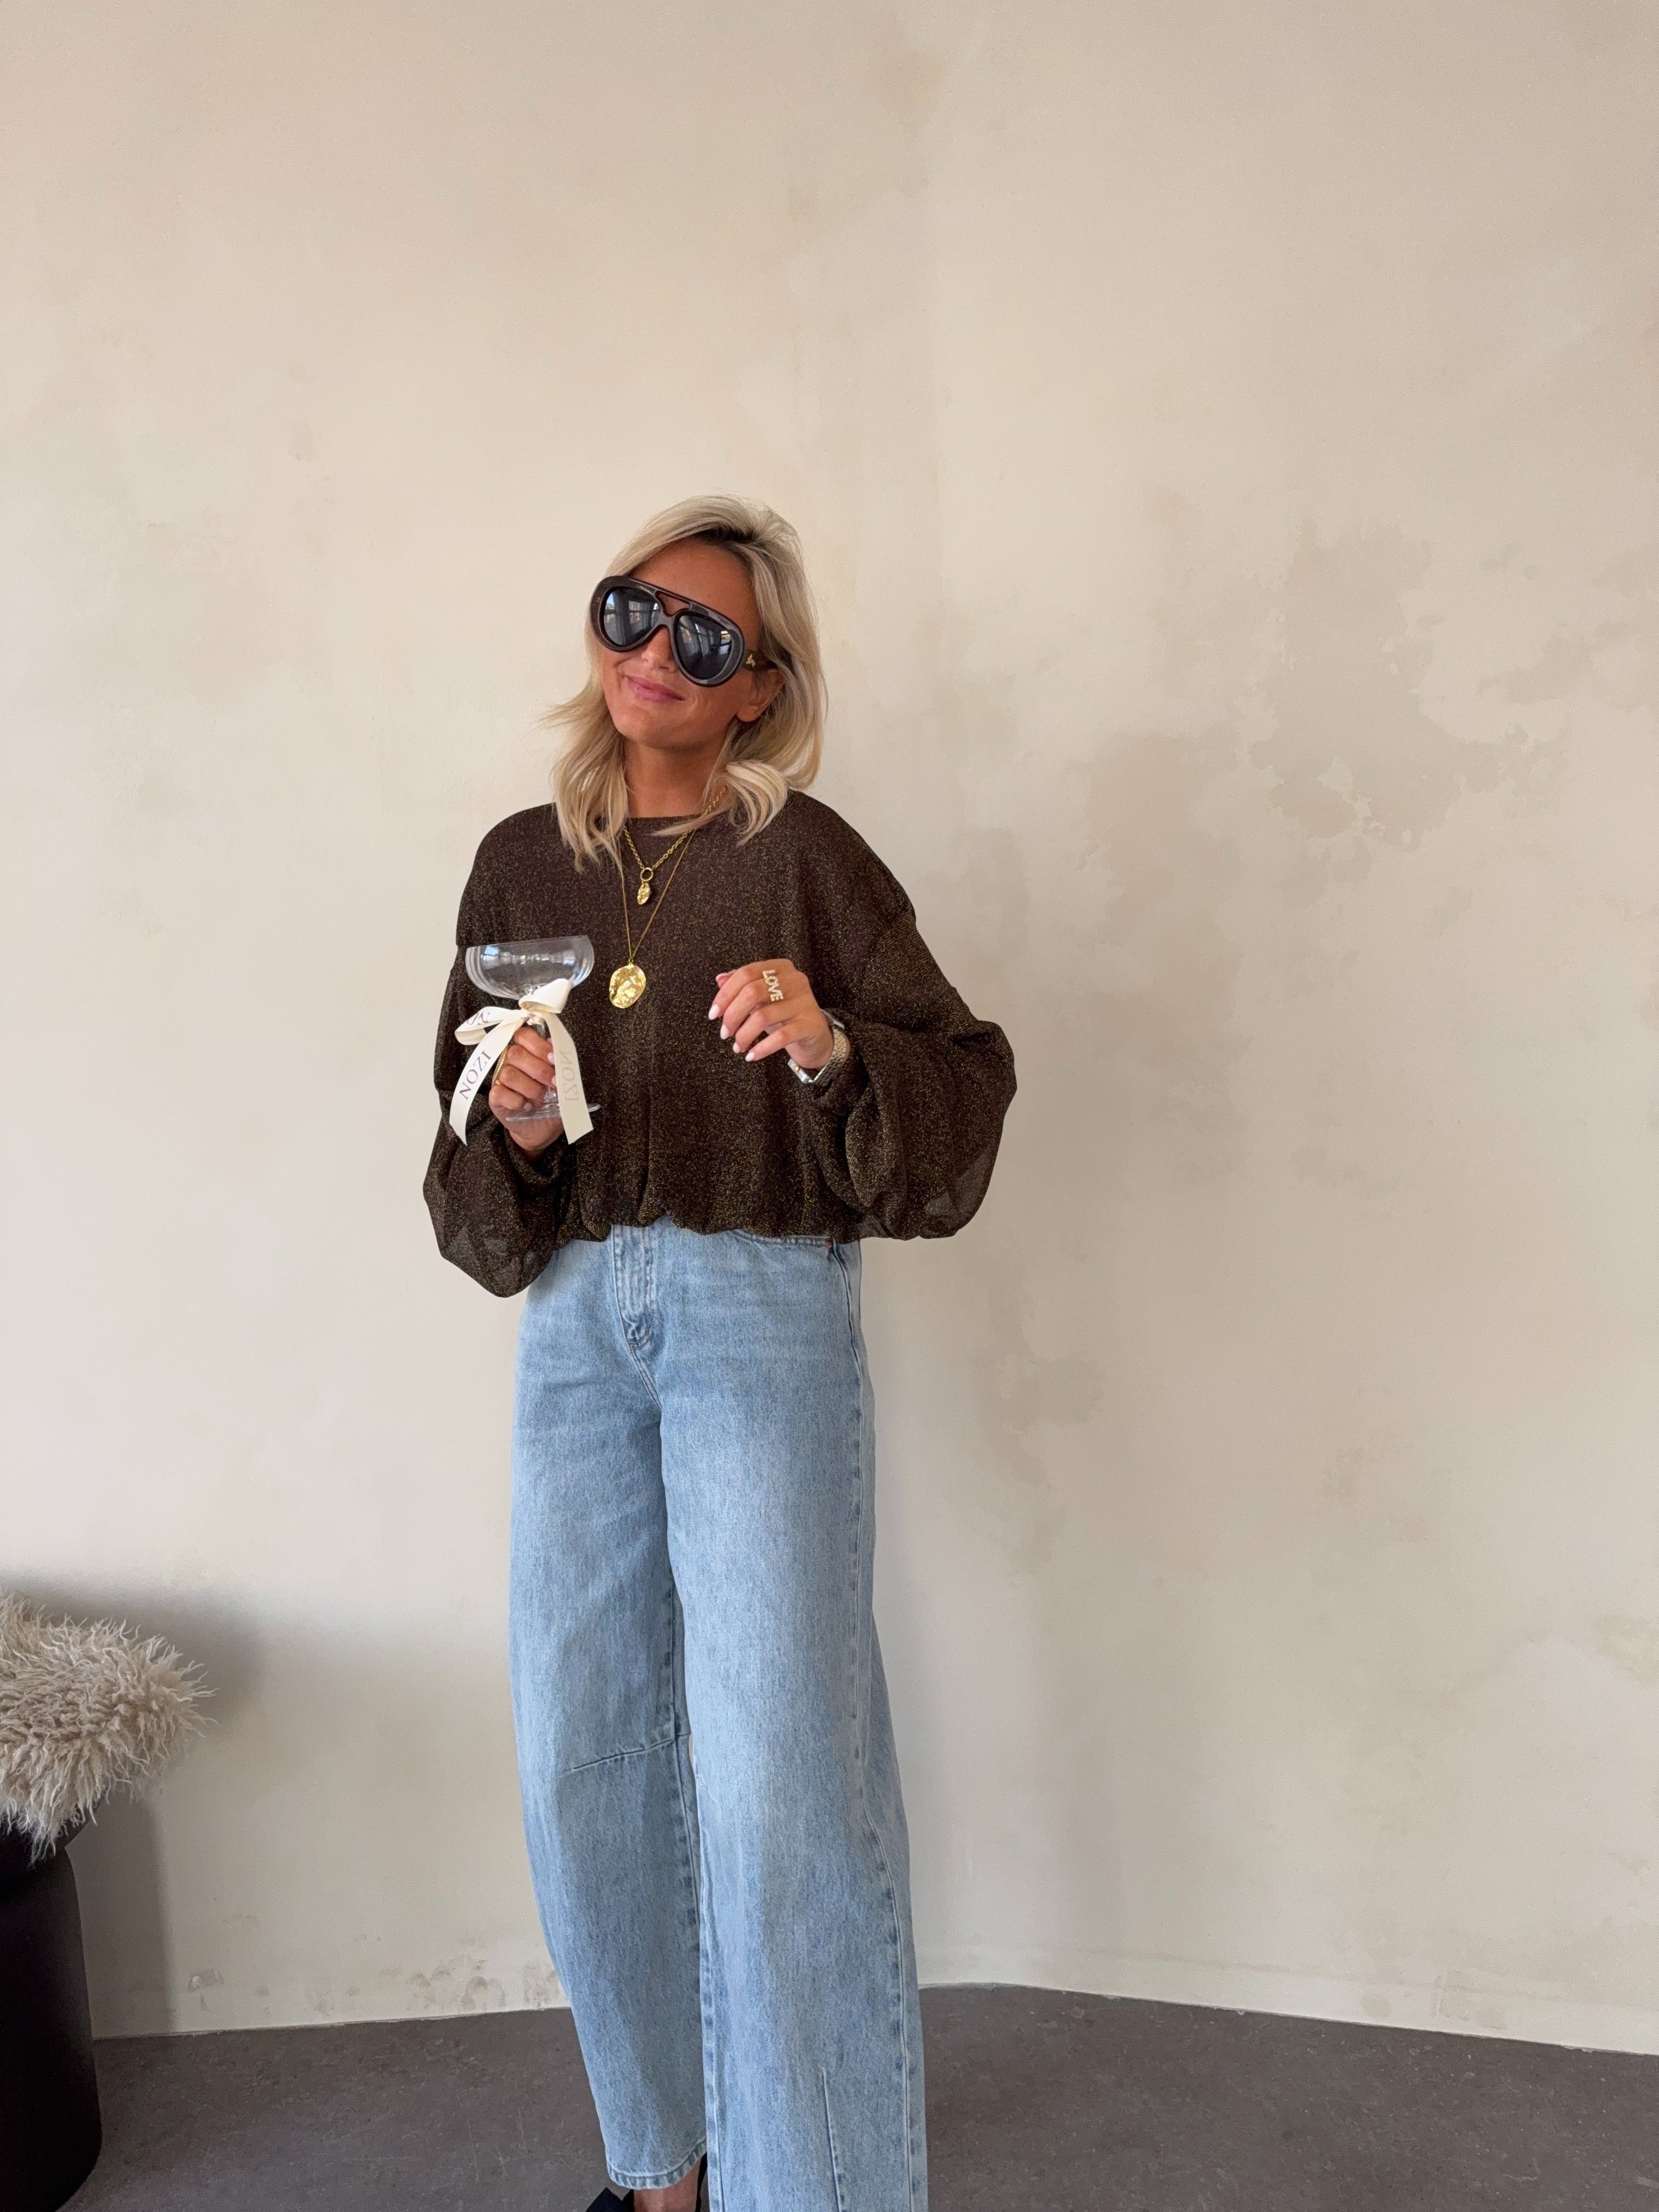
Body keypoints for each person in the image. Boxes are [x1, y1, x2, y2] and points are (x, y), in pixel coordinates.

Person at [425, 495, 1015, 2212]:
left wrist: (831, 1048)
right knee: (583, 1755)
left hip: (760, 1315)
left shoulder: (810, 860)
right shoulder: (520, 863)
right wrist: (515, 1125)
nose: (655, 655)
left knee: (777, 1769)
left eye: (705, 638)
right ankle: (663, 2172)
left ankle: (815, 2187)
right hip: (575, 1331)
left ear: (761, 685)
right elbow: (470, 1186)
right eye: (634, 609)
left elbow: (963, 1092)